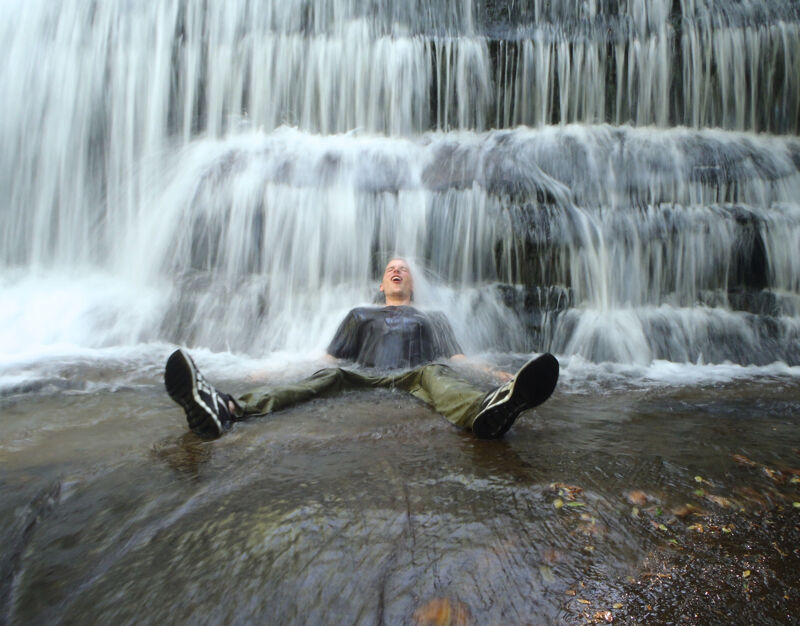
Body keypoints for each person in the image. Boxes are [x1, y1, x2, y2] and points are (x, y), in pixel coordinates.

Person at [165, 258, 558, 440]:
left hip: (414, 375)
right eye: (390, 268)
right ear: (382, 285)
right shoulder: (359, 313)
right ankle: (227, 408)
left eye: (403, 268)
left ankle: (490, 409)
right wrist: (273, 371)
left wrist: (498, 376)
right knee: (324, 377)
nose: (397, 270)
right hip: (358, 374)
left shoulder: (432, 317)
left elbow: (456, 359)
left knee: (440, 375)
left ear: (411, 285)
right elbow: (327, 358)